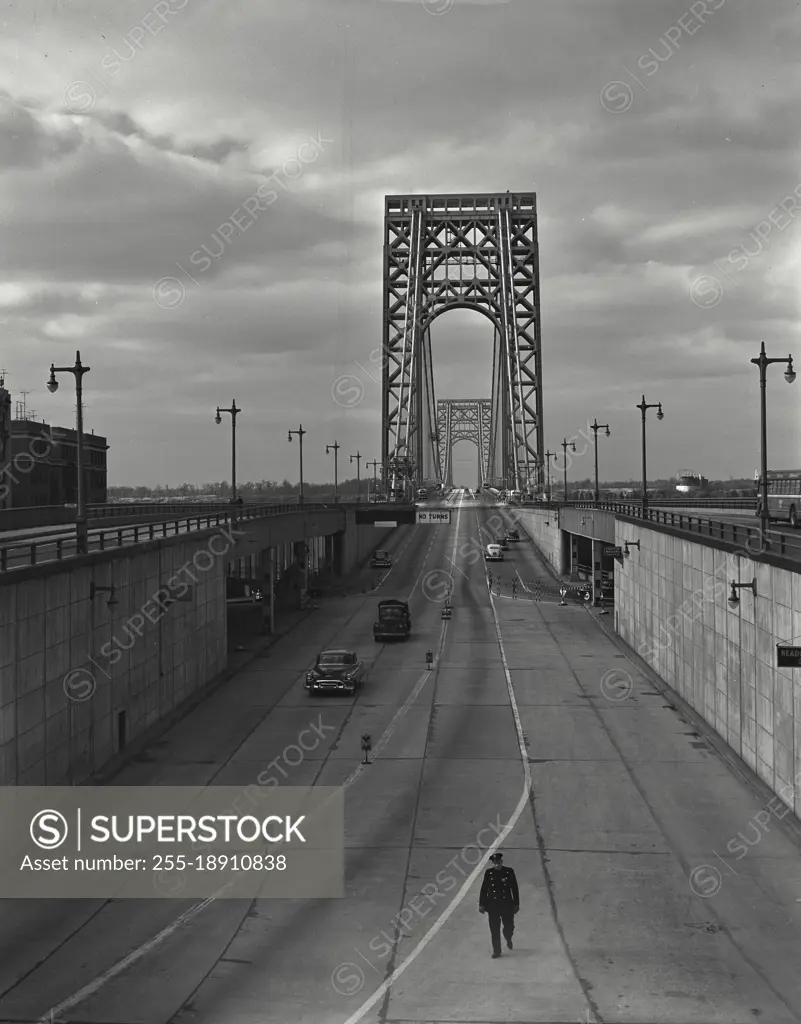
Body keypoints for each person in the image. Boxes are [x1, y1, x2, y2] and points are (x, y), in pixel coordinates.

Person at [478, 852, 519, 958]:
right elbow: (484, 889)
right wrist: (482, 904)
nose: (497, 864)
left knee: (509, 926)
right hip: (493, 906)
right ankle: (497, 951)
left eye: (499, 862)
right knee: (494, 929)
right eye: (495, 863)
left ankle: (508, 937)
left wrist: (516, 903)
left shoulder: (509, 872)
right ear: (493, 863)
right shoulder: (489, 873)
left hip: (506, 905)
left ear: (502, 862)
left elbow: (514, 888)